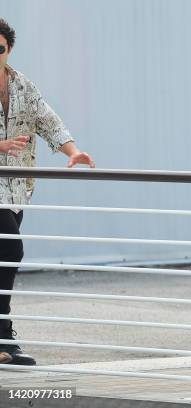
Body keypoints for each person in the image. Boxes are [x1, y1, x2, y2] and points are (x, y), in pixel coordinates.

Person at [0, 18, 95, 365]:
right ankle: (4, 338)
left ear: (9, 49)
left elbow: (49, 121)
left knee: (3, 261)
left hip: (15, 191)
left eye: (0, 48)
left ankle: (3, 342)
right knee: (10, 250)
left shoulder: (23, 86)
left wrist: (73, 152)